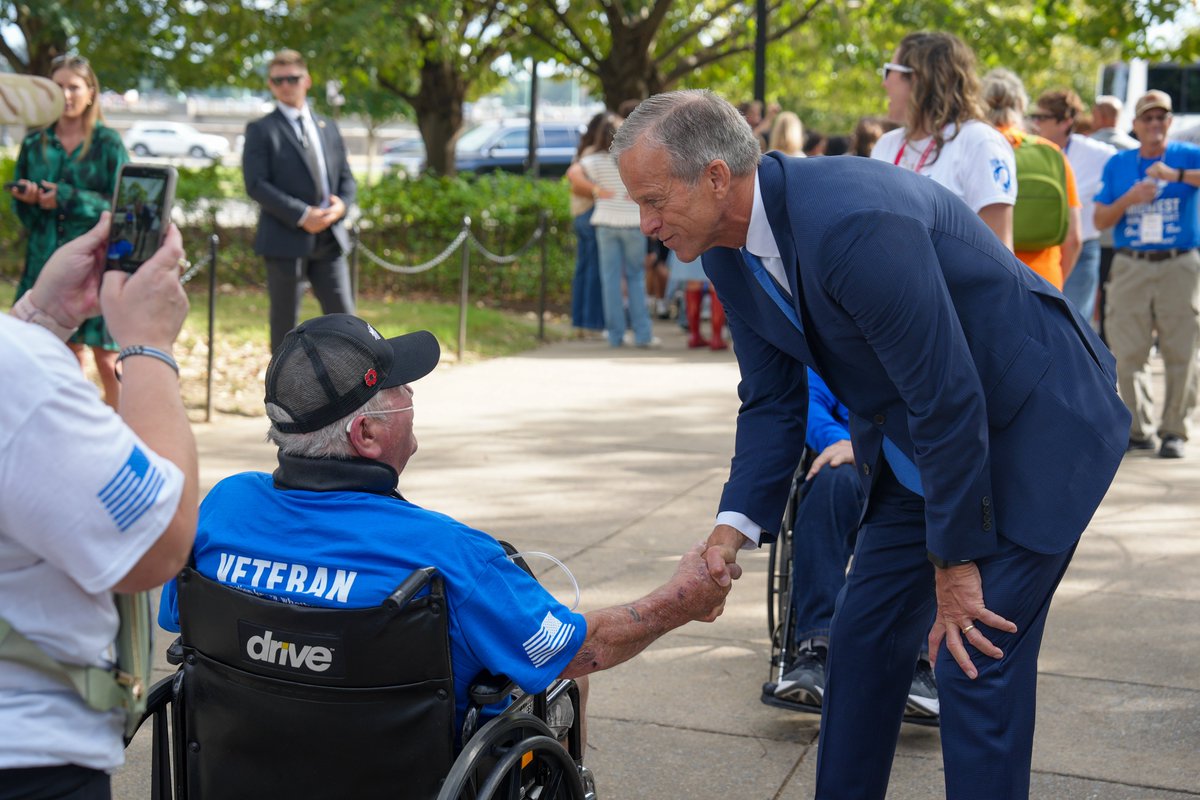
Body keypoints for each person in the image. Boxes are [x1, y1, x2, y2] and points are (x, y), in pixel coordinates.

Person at [613, 89, 1129, 800]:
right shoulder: (725, 250)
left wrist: (955, 563)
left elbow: (946, 392)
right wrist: (729, 533)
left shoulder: (849, 222)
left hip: (1034, 427)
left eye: (653, 200)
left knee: (971, 660)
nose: (646, 224)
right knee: (860, 648)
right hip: (929, 444)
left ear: (715, 177)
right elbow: (772, 402)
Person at [157, 313, 728, 745]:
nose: (411, 395)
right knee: (564, 682)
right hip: (398, 775)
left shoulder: (222, 509)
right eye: (401, 389)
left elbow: (181, 622)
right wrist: (682, 598)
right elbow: (583, 649)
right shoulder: (449, 554)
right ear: (367, 435)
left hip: (243, 765)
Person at [1, 212, 198, 798]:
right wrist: (149, 345)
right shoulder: (17, 374)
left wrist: (43, 318)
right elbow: (157, 542)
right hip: (28, 759)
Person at [772, 369, 937, 720]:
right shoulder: (832, 347)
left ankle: (919, 661)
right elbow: (808, 403)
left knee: (932, 504)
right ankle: (816, 649)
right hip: (845, 458)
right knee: (830, 483)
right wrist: (849, 446)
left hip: (913, 463)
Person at [10, 54, 129, 408]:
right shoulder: (35, 144)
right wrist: (30, 198)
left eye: (74, 87)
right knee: (62, 354)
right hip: (46, 260)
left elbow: (123, 205)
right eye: (58, 87)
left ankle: (123, 432)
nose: (66, 95)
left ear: (90, 93)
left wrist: (67, 197)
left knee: (108, 357)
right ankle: (77, 427)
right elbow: (26, 218)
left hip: (96, 263)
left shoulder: (108, 143)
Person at [1094, 90, 1200, 460]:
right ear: (1135, 125)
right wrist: (1130, 199)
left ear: (1169, 122)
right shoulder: (1119, 164)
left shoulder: (1188, 155)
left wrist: (1176, 176)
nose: (1155, 124)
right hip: (1131, 263)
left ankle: (1174, 431)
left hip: (1178, 262)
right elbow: (1100, 219)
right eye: (1148, 118)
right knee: (1128, 351)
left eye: (1161, 117)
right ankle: (1139, 430)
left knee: (1181, 350)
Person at [243, 48, 357, 354]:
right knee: (285, 328)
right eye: (277, 80)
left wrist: (341, 207)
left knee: (347, 322)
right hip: (285, 239)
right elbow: (255, 184)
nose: (285, 85)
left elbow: (346, 178)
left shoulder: (328, 126)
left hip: (330, 237)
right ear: (270, 85)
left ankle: (354, 382)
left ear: (306, 80)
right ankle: (282, 386)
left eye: (292, 78)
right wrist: (302, 215)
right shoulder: (261, 130)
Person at [872, 31, 1017, 249]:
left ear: (918, 78)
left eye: (888, 71)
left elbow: (999, 251)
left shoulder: (980, 142)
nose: (884, 83)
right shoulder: (887, 144)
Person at [980, 68, 1082, 290]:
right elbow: (1074, 238)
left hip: (987, 281)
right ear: (1021, 105)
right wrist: (1055, 285)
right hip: (1043, 280)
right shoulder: (1052, 153)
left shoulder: (974, 150)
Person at [1030, 89, 1117, 322]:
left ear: (1066, 121)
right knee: (1041, 322)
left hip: (1083, 250)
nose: (1035, 123)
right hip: (1040, 249)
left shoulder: (1095, 152)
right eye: (1034, 116)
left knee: (1075, 325)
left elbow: (1129, 162)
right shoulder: (1029, 148)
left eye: (1042, 117)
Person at [578, 114, 659, 348]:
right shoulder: (634, 158)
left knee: (610, 280)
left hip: (605, 222)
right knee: (636, 278)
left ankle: (615, 335)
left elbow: (573, 173)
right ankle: (643, 334)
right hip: (632, 223)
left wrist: (597, 190)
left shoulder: (594, 160)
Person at [1091, 95, 1140, 342]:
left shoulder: (1086, 146)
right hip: (1127, 234)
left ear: (1099, 116)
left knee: (1099, 290)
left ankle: (1102, 341)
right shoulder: (1135, 149)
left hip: (1096, 234)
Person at [564, 112, 610, 338]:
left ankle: (580, 322)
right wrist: (599, 191)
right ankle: (592, 324)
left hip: (580, 213)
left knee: (583, 269)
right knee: (593, 270)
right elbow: (573, 178)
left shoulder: (583, 150)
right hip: (592, 212)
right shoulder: (594, 153)